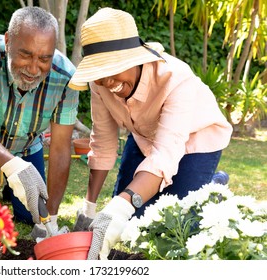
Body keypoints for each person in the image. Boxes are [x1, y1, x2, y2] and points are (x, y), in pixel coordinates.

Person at [68, 7, 233, 259]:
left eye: (113, 68)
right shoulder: (99, 83)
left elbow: (165, 155)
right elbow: (102, 142)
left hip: (196, 139)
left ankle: (210, 185)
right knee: (127, 223)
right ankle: (195, 186)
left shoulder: (177, 79)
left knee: (173, 227)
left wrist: (122, 205)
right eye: (99, 73)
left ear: (134, 58)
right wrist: (89, 208)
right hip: (146, 138)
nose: (108, 81)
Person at [0, 6, 79, 238]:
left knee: (32, 217)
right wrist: (12, 165)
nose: (33, 68)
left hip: (27, 149)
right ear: (8, 41)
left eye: (44, 58)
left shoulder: (66, 77)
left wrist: (50, 217)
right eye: (26, 54)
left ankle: (14, 188)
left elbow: (60, 147)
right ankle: (10, 178)